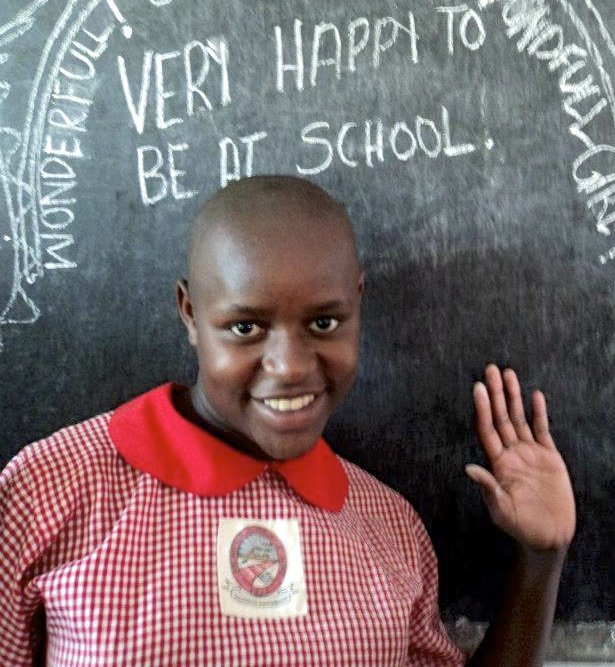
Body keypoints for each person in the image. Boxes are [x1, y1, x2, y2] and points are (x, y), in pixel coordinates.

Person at [0, 175, 576, 666]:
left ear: (356, 304)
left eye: (324, 323)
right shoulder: (50, 490)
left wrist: (541, 558)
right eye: (246, 328)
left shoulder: (390, 528)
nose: (291, 367)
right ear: (190, 313)